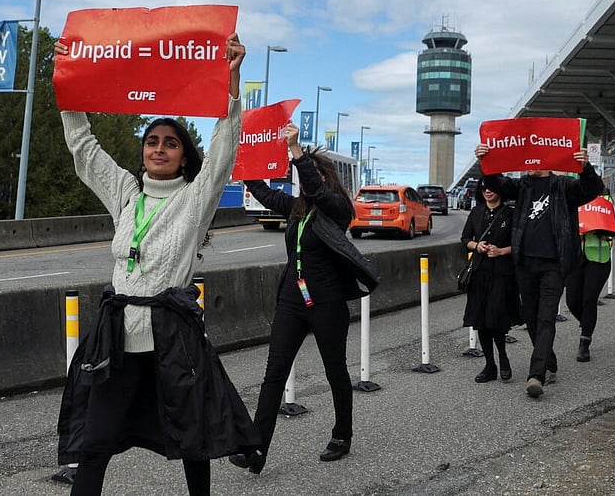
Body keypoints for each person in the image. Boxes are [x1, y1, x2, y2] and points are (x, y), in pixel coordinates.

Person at [54, 34, 261, 496]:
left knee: (194, 439)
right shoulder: (128, 194)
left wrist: (232, 78)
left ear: (183, 155)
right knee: (94, 443)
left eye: (170, 143)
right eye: (152, 141)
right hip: (119, 339)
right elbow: (85, 151)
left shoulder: (193, 200)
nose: (159, 148)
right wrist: (66, 83)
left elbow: (224, 149)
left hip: (173, 341)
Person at [229, 123, 379, 474]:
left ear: (323, 178)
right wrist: (246, 165)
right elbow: (264, 195)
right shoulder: (297, 208)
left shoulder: (337, 208)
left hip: (327, 304)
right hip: (292, 303)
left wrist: (297, 152)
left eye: (311, 177)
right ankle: (256, 450)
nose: (305, 185)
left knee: (335, 371)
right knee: (273, 375)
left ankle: (342, 436)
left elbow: (316, 188)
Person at [476, 143, 603, 399]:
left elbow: (592, 190)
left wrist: (585, 167)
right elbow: (496, 183)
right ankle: (549, 361)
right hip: (525, 264)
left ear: (549, 161)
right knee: (531, 318)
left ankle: (536, 376)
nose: (531, 163)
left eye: (538, 159)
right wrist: (486, 161)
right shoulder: (521, 187)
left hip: (554, 265)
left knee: (546, 317)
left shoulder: (564, 186)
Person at [459, 179, 521, 383]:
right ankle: (489, 364)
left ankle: (503, 358)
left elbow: (521, 243)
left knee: (496, 318)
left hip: (502, 274)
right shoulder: (476, 212)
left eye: (492, 187)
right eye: (484, 188)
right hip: (479, 272)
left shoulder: (511, 213)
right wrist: (476, 246)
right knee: (481, 320)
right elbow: (465, 238)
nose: (487, 191)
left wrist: (501, 251)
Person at [565, 189, 615, 363]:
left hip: (599, 257)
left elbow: (613, 226)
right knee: (571, 301)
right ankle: (587, 322)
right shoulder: (570, 197)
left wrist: (599, 225)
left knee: (589, 299)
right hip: (574, 256)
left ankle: (585, 341)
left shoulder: (606, 200)